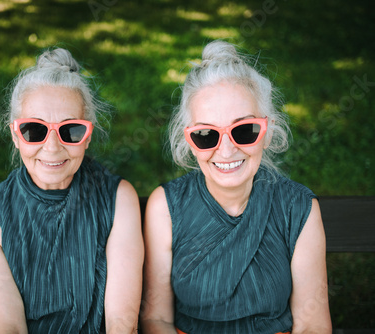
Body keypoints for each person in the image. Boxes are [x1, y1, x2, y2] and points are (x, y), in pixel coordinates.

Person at [141, 41, 331, 333]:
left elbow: (313, 324)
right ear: (189, 142)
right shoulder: (166, 208)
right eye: (206, 135)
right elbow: (157, 319)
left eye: (244, 131)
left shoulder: (298, 209)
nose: (226, 150)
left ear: (266, 132)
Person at [0, 48, 143, 334]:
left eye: (71, 131)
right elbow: (7, 328)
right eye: (34, 130)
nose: (52, 147)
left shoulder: (118, 200)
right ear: (16, 135)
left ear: (87, 136)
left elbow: (121, 325)